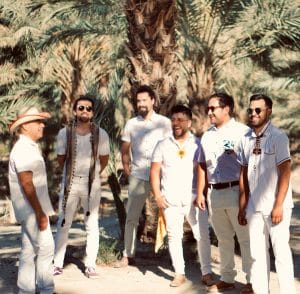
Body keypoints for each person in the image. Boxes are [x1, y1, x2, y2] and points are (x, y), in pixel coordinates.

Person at [150, 104, 214, 287]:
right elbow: (155, 172)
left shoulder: (198, 143)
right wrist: (157, 196)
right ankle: (179, 273)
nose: (176, 123)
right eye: (173, 119)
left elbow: (205, 170)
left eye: (180, 120)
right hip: (169, 199)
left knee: (202, 235)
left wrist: (201, 193)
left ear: (189, 122)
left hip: (193, 198)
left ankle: (207, 273)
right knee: (173, 236)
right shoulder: (162, 144)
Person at [196, 93, 253, 293]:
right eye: (208, 108)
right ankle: (227, 278)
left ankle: (252, 281)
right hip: (214, 193)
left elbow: (253, 164)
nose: (209, 112)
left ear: (226, 109)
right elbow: (202, 165)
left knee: (245, 238)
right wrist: (201, 193)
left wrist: (236, 154)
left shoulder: (243, 132)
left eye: (213, 108)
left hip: (237, 191)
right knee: (223, 238)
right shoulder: (207, 135)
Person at [238, 94, 295, 294]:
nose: (253, 114)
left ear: (268, 112)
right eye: (250, 110)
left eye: (258, 110)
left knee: (280, 253)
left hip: (276, 206)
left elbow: (285, 172)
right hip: (254, 206)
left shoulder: (278, 137)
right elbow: (244, 173)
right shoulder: (245, 139)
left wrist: (278, 205)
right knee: (257, 254)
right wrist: (243, 205)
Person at [114, 85, 172, 267]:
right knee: (132, 217)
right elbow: (125, 148)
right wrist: (126, 167)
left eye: (144, 100)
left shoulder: (164, 122)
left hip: (162, 176)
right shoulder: (132, 123)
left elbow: (170, 147)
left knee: (170, 215)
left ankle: (172, 255)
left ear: (152, 100)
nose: (141, 104)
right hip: (138, 175)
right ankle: (128, 255)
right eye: (138, 101)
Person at [53, 95, 110, 278]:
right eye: (81, 108)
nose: (84, 111)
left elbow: (104, 159)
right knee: (64, 223)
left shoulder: (101, 134)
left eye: (88, 108)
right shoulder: (64, 133)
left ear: (93, 112)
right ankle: (57, 264)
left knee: (92, 225)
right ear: (75, 110)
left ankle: (90, 265)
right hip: (70, 184)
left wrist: (93, 176)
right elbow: (61, 159)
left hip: (91, 185)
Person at [8, 106, 55, 294]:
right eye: (38, 122)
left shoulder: (29, 146)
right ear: (26, 126)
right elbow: (27, 183)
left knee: (28, 251)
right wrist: (39, 212)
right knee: (46, 248)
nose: (42, 125)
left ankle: (25, 290)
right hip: (30, 209)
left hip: (31, 208)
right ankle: (46, 290)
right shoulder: (22, 149)